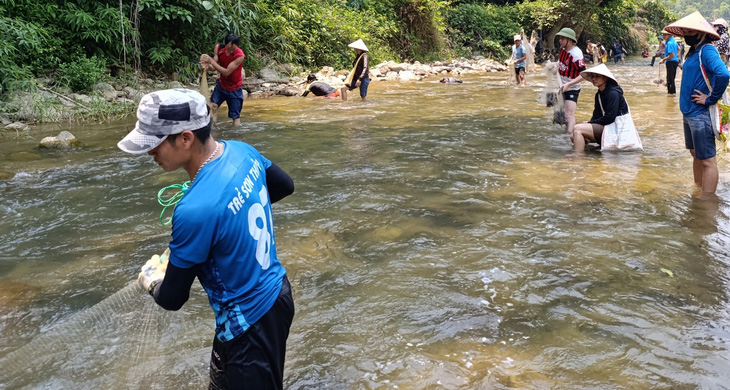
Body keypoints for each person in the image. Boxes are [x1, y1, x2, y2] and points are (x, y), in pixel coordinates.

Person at [117, 88, 296, 388]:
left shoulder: (194, 210)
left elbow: (173, 298)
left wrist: (152, 281)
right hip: (276, 294)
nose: (150, 152)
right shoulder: (242, 152)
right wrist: (227, 221)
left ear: (185, 138)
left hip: (247, 325)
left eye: (155, 143)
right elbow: (284, 186)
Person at [665, 11, 730, 194]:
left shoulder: (707, 50)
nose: (686, 36)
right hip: (689, 112)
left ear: (701, 33)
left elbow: (724, 74)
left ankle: (707, 203)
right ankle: (698, 188)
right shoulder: (693, 51)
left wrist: (710, 98)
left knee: (708, 160)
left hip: (700, 113)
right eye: (684, 32)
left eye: (689, 32)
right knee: (695, 154)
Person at [569, 64, 629, 151]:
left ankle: (578, 157)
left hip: (616, 130)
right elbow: (597, 114)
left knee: (577, 129)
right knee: (573, 135)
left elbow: (610, 118)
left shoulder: (613, 93)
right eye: (592, 76)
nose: (594, 79)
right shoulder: (599, 94)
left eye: (597, 76)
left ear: (605, 77)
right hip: (608, 127)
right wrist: (590, 122)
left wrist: (590, 123)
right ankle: (589, 153)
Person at [201, 34, 245, 126]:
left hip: (234, 88)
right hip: (221, 85)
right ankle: (212, 130)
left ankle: (236, 135)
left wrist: (211, 61)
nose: (229, 51)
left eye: (232, 49)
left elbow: (226, 72)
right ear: (225, 43)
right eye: (228, 48)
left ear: (236, 46)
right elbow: (214, 67)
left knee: (235, 116)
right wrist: (207, 67)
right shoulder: (219, 48)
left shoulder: (239, 55)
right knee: (213, 106)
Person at [556, 27, 587, 135]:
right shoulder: (562, 50)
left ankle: (569, 137)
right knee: (563, 114)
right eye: (560, 38)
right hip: (561, 85)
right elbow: (560, 63)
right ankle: (566, 132)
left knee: (569, 114)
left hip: (572, 87)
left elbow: (584, 75)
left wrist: (569, 84)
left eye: (562, 38)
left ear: (569, 40)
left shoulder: (576, 54)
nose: (560, 40)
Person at [659, 30, 679, 94]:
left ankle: (671, 93)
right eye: (663, 34)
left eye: (665, 34)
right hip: (674, 61)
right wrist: (676, 56)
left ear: (669, 35)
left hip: (671, 62)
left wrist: (663, 59)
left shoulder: (670, 43)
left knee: (670, 80)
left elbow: (671, 55)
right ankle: (672, 94)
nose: (663, 36)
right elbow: (679, 49)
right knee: (671, 78)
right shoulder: (673, 41)